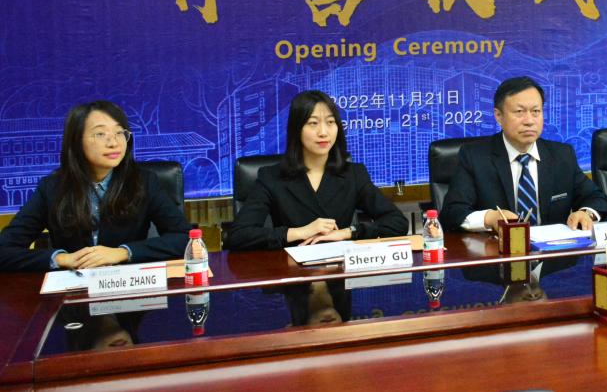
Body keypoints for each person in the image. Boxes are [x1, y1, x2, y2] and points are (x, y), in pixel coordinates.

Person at [0, 100, 191, 272]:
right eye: (100, 134)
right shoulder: (52, 188)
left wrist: (123, 252)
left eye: (119, 132)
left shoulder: (144, 181)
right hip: (74, 291)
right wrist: (62, 258)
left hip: (127, 288)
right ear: (77, 141)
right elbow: (4, 250)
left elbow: (186, 239)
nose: (113, 142)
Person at [224, 90, 407, 250]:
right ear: (297, 129)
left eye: (330, 122)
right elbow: (238, 236)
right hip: (291, 272)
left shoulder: (354, 174)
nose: (323, 132)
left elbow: (397, 222)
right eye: (313, 123)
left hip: (339, 270)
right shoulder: (272, 177)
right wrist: (299, 232)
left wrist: (348, 232)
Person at [440, 77, 607, 232]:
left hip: (552, 253)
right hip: (497, 251)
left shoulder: (561, 155)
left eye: (536, 111)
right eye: (519, 112)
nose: (529, 121)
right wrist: (490, 218)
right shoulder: (475, 156)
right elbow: (452, 213)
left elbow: (596, 198)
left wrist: (586, 213)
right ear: (498, 116)